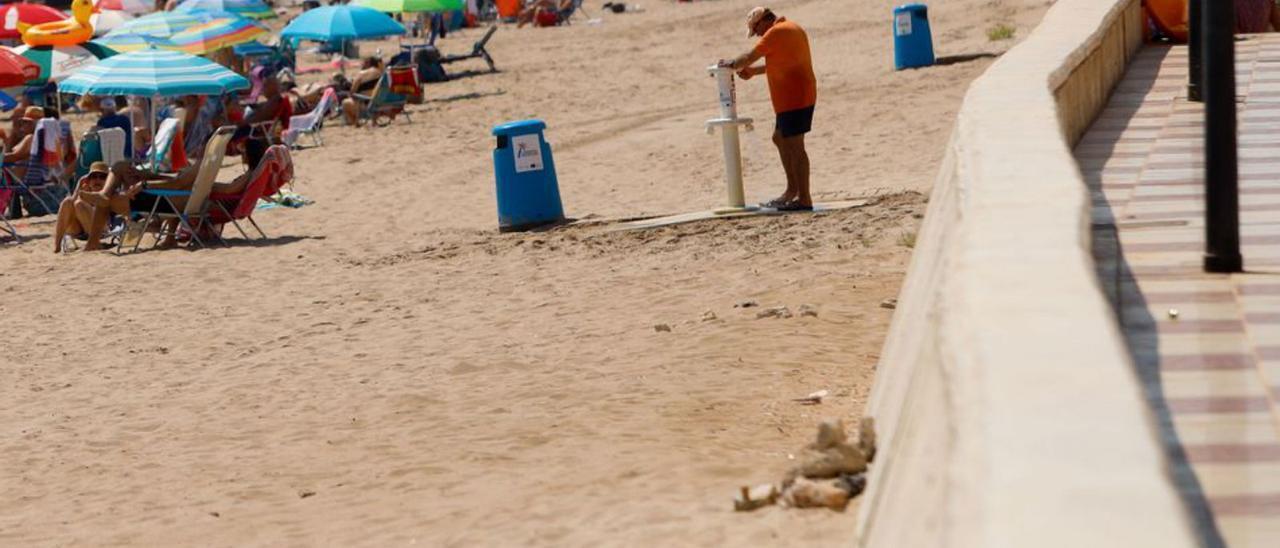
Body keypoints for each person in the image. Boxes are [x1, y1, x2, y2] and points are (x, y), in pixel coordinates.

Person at [721, 7, 817, 211]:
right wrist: (753, 72)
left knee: (795, 145)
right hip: (794, 95)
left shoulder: (776, 32)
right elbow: (781, 62)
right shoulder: (791, 28)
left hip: (795, 96)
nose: (758, 35)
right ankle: (792, 191)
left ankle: (804, 198)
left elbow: (748, 56)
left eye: (756, 31)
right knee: (780, 138)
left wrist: (730, 64)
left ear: (764, 22)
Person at [341, 57, 388, 126]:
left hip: (365, 104)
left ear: (368, 64)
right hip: (381, 103)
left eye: (364, 63)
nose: (362, 65)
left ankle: (355, 122)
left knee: (345, 102)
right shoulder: (381, 73)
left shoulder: (361, 74)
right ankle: (373, 120)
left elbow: (352, 91)